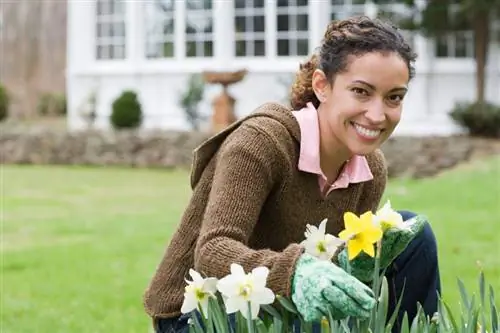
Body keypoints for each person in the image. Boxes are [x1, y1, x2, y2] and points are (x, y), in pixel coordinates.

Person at [143, 16, 441, 333]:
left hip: (280, 303)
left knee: (414, 237)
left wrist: (354, 264)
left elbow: (337, 269)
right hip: (198, 312)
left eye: (394, 96)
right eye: (361, 91)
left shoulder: (370, 168)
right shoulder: (262, 142)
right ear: (322, 86)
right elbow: (213, 251)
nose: (378, 114)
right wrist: (297, 271)